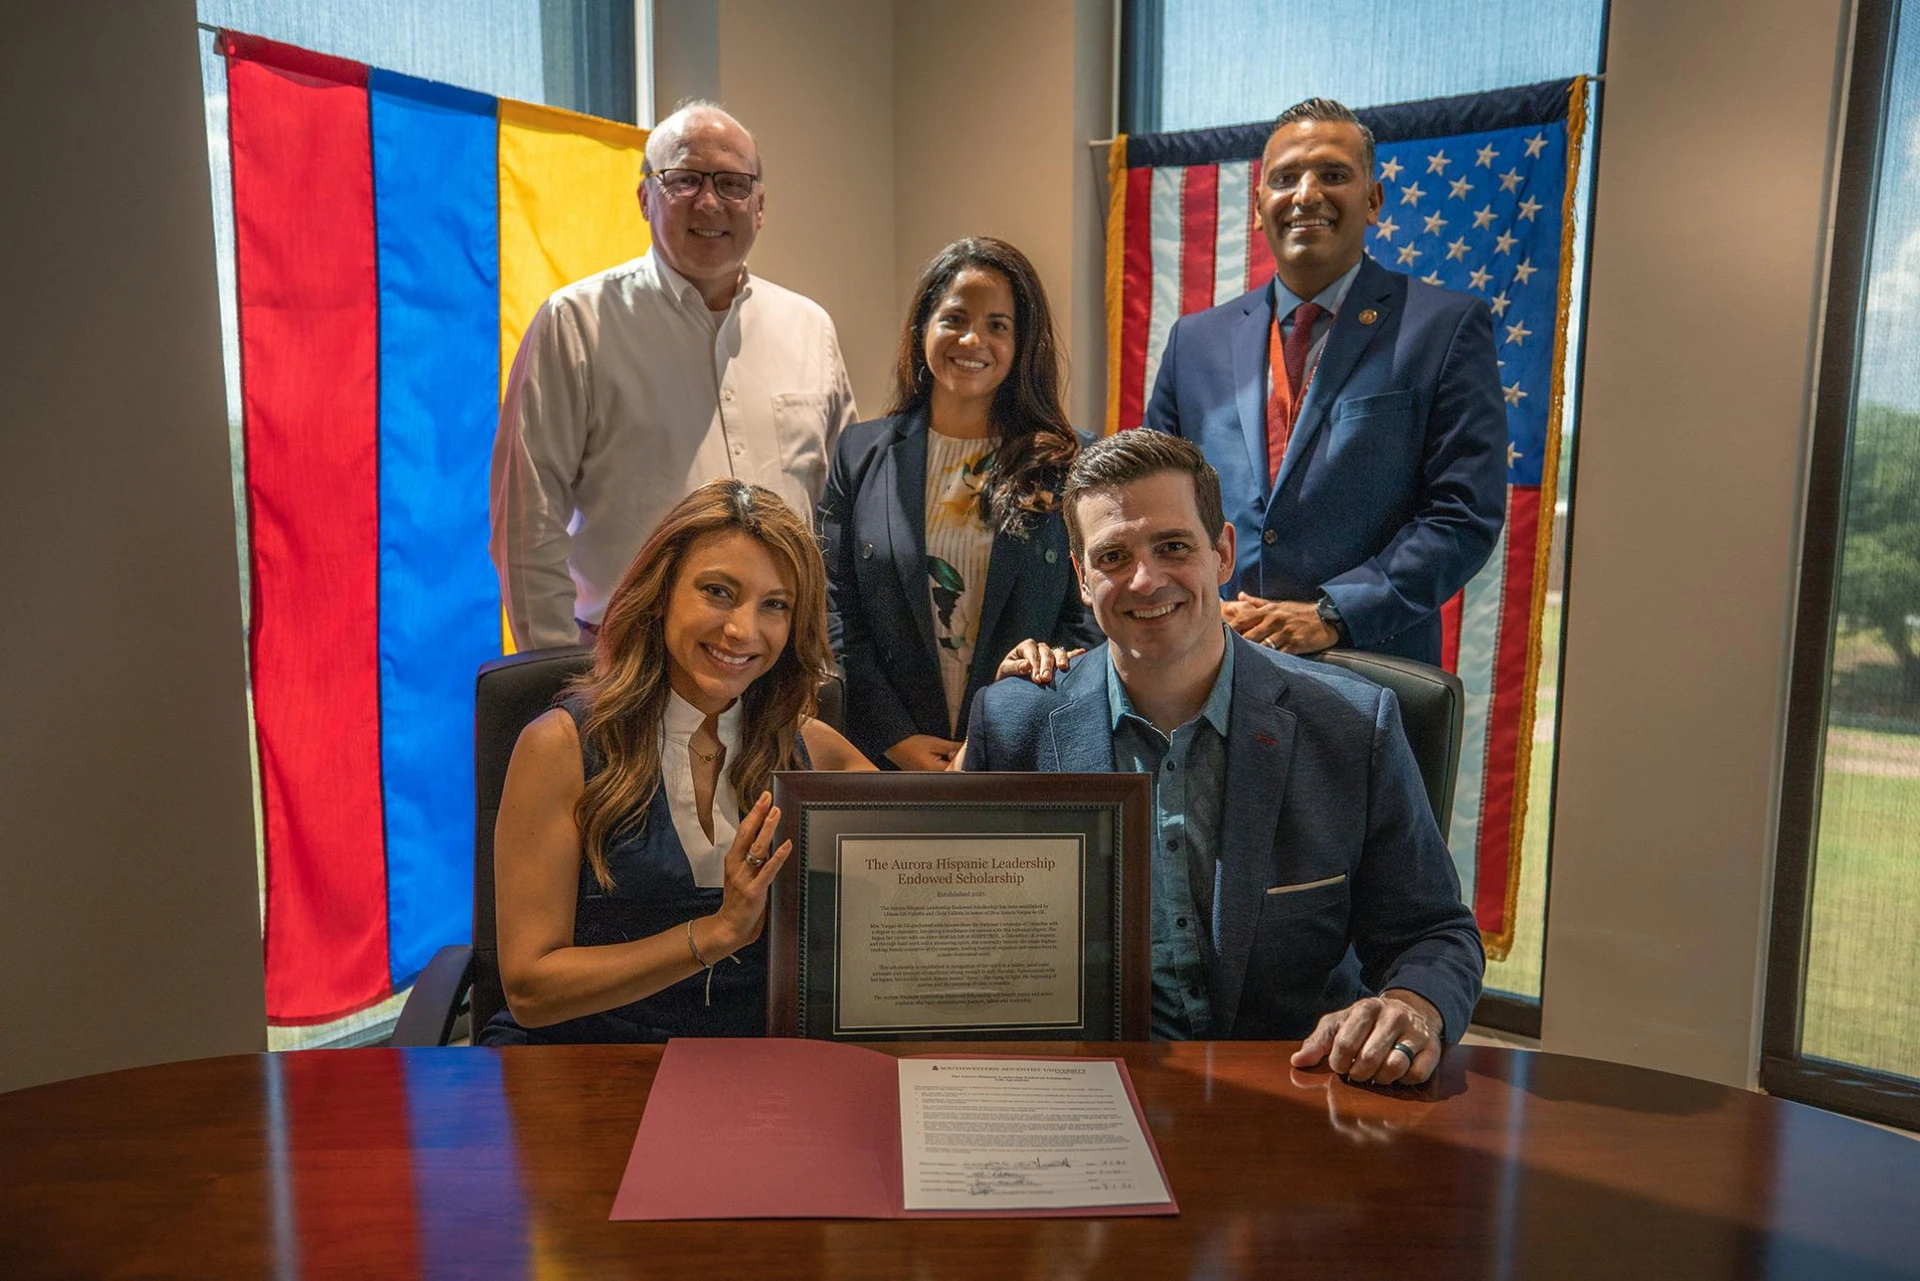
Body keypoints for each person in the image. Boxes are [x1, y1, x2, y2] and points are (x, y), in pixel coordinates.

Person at [963, 431, 1483, 1084]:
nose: (1145, 580)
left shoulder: (1353, 725)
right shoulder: (1014, 725)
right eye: (1114, 555)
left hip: (1302, 1098)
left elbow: (1434, 932)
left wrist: (1413, 1005)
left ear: (1222, 551)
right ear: (1081, 575)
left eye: (1173, 546)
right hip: (1087, 1099)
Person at [486, 480, 872, 1045]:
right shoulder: (561, 749)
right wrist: (716, 934)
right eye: (718, 592)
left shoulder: (813, 751)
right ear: (661, 593)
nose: (743, 630)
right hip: (585, 1068)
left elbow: (932, 856)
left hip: (747, 1076)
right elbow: (529, 992)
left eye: (775, 605)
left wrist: (1012, 705)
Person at [1146, 97, 1507, 665]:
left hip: (1367, 675)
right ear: (1259, 202)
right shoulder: (1194, 343)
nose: (1306, 193)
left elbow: (1462, 513)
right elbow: (1156, 501)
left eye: (1333, 174)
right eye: (1285, 177)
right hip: (1211, 667)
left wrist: (1333, 613)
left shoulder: (1444, 327)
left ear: (1373, 200)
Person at [491, 99, 858, 651]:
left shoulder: (810, 328)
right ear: (644, 197)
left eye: (733, 184)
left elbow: (842, 514)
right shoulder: (576, 324)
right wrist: (559, 677)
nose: (709, 201)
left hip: (782, 660)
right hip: (631, 661)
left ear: (760, 205)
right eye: (683, 180)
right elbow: (527, 526)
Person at [819, 237, 1100, 770]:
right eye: (954, 318)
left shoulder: (1072, 461)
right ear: (922, 327)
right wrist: (894, 737)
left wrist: (1002, 729)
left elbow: (1087, 619)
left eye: (998, 325)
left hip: (1027, 748)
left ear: (1022, 343)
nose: (973, 339)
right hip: (886, 757)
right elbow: (837, 610)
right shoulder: (859, 454)